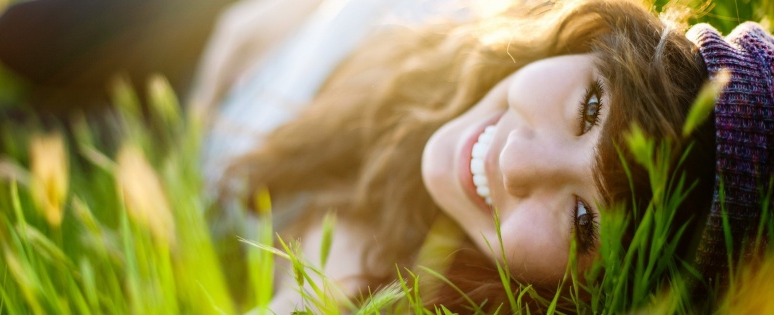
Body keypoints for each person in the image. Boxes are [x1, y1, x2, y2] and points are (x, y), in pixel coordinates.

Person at [191, 0, 774, 312]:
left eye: (582, 222)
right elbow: (244, 26)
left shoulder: (383, 295)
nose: (517, 162)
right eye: (590, 108)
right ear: (590, 40)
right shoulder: (432, 15)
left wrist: (317, 293)